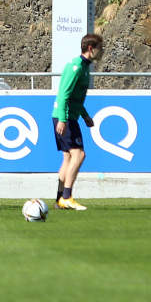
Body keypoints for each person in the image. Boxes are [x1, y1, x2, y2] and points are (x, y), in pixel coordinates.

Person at [53, 32, 102, 210]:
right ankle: (67, 196)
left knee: (68, 157)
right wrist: (63, 120)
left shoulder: (84, 67)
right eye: (99, 48)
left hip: (68, 116)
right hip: (64, 117)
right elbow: (64, 94)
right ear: (91, 49)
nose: (101, 52)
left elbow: (76, 98)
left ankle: (59, 199)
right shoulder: (76, 67)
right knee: (79, 155)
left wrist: (85, 115)